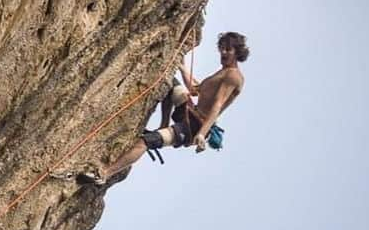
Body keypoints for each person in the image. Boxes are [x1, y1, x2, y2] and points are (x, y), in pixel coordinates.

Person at [77, 31, 249, 185]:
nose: (223, 52)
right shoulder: (221, 72)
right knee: (168, 82)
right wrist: (181, 66)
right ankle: (164, 123)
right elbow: (195, 90)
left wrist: (202, 134)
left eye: (228, 49)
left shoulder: (233, 76)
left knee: (146, 141)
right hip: (190, 112)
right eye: (222, 48)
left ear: (237, 52)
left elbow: (217, 106)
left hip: (194, 126)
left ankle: (105, 173)